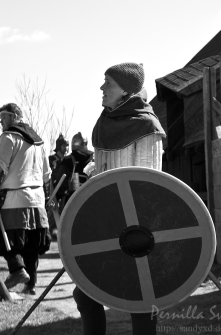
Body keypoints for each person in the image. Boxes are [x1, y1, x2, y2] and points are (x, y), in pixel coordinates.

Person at [71, 62, 165, 335]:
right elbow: (100, 172)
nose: (102, 88)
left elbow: (148, 182)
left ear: (126, 89)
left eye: (108, 83)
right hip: (104, 219)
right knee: (85, 294)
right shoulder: (104, 122)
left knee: (141, 297)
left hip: (136, 224)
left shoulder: (146, 125)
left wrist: (135, 223)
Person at [0, 103, 52, 296]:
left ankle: (17, 271)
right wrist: (47, 197)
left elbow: (0, 168)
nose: (1, 120)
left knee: (6, 240)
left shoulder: (8, 137)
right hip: (37, 201)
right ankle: (31, 285)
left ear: (15, 116)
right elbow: (47, 176)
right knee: (31, 245)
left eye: (4, 116)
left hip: (14, 200)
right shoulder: (38, 141)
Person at [53, 132, 94, 208]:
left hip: (74, 204)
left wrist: (56, 197)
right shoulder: (94, 159)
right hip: (94, 200)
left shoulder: (68, 161)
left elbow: (61, 186)